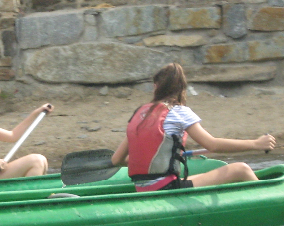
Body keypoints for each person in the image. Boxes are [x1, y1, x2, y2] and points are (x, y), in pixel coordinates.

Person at [111, 63, 275, 192]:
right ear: (181, 88)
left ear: (156, 87)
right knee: (241, 169)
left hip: (141, 188)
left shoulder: (140, 114)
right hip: (166, 188)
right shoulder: (178, 112)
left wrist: (157, 160)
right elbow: (212, 145)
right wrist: (256, 144)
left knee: (200, 175)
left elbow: (116, 160)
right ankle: (269, 201)